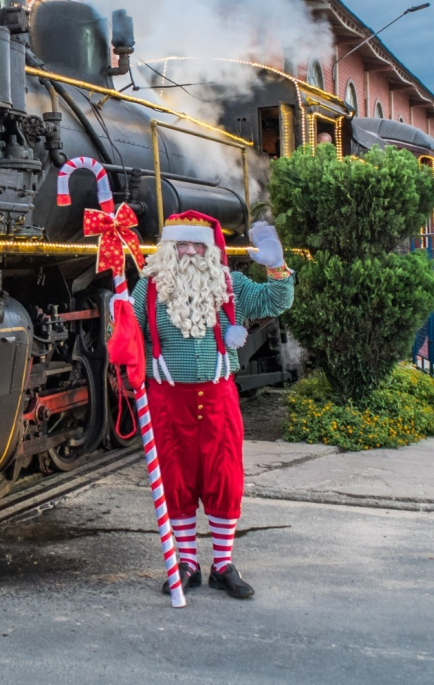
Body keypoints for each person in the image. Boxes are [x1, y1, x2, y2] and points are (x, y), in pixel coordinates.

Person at [132, 210, 293, 599]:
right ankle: (186, 563)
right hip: (168, 400)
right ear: (169, 248)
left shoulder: (230, 284)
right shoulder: (148, 288)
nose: (189, 252)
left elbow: (277, 300)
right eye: (181, 244)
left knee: (224, 476)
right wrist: (116, 322)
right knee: (176, 478)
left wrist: (277, 267)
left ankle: (222, 566)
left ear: (209, 249)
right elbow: (125, 334)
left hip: (219, 396)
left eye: (197, 245)